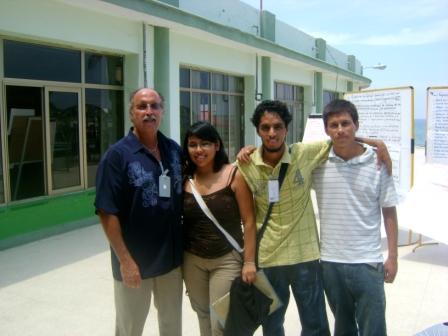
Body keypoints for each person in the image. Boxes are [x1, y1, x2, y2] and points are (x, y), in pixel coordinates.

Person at [236, 100, 391, 336]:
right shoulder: (245, 165)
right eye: (265, 127)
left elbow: (340, 137)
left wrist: (378, 144)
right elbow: (246, 217)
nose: (272, 133)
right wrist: (248, 261)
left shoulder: (304, 154)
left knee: (315, 326)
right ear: (257, 130)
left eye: (278, 126)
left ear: (287, 129)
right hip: (268, 258)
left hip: (305, 257)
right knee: (272, 325)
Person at [95, 88, 183, 336]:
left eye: (154, 106)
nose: (149, 112)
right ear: (131, 114)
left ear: (162, 112)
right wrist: (126, 261)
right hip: (135, 264)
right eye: (142, 107)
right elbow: (106, 211)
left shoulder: (173, 150)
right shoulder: (117, 156)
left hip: (171, 262)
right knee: (129, 328)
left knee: (172, 326)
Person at [312, 99, 398, 336]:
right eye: (333, 125)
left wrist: (392, 256)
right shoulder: (318, 162)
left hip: (367, 262)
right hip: (330, 262)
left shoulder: (378, 162)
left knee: (374, 328)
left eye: (346, 123)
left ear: (356, 125)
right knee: (343, 328)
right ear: (326, 130)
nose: (340, 130)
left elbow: (389, 210)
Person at [182, 121, 257, 336]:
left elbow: (249, 221)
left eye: (205, 144)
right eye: (193, 144)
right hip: (192, 260)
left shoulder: (234, 174)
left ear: (217, 145)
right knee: (202, 314)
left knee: (220, 323)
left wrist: (249, 261)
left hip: (226, 260)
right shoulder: (184, 176)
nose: (198, 150)